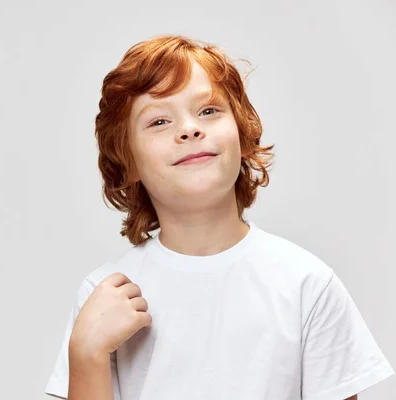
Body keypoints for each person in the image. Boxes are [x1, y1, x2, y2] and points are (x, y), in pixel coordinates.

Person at [44, 35, 394, 400]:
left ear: (243, 136)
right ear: (127, 161)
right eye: (159, 121)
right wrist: (86, 355)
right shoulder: (104, 294)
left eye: (208, 111)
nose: (189, 129)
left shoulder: (307, 286)